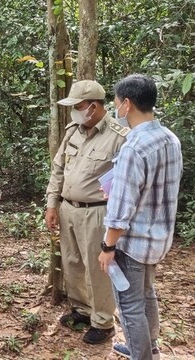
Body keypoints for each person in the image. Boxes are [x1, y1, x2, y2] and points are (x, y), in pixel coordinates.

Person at [99, 74, 183, 360]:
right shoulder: (170, 139)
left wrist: (108, 247)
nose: (116, 109)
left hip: (132, 244)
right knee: (147, 295)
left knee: (130, 304)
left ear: (127, 104)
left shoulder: (133, 147)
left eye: (115, 103)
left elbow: (120, 212)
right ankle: (150, 348)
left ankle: (141, 355)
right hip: (158, 239)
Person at [44, 80, 129, 344]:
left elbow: (125, 183)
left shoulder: (119, 136)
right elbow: (58, 168)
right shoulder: (73, 131)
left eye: (78, 107)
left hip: (97, 213)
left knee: (97, 267)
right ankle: (82, 309)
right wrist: (51, 203)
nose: (75, 112)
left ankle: (103, 322)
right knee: (72, 262)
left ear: (93, 107)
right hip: (69, 208)